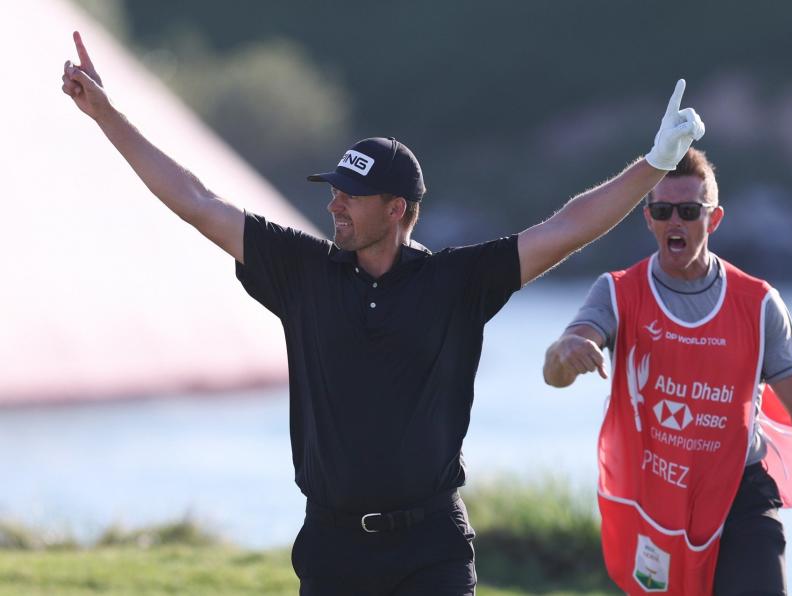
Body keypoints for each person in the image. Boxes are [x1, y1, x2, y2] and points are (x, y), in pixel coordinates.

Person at [61, 30, 705, 595]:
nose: (335, 204)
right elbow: (198, 201)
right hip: (333, 547)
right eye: (334, 191)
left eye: (352, 195)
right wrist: (106, 115)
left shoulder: (456, 281)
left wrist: (654, 168)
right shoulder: (301, 271)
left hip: (431, 549)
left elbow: (565, 228)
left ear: (396, 209)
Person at [542, 147, 792, 595]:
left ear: (714, 219)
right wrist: (568, 350)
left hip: (742, 496)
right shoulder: (618, 292)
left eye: (688, 210)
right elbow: (561, 363)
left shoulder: (758, 304)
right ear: (648, 218)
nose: (674, 222)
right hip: (656, 504)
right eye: (662, 211)